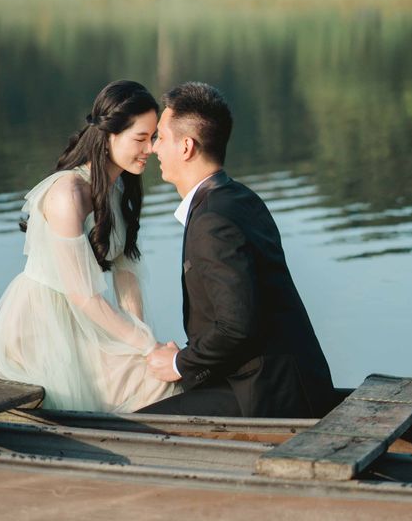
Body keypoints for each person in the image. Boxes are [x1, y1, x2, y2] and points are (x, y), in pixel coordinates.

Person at [142, 81, 336, 418]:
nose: (155, 147)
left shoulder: (212, 221)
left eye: (160, 137)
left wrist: (178, 363)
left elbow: (237, 326)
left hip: (265, 394)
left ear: (186, 147)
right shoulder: (239, 197)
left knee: (138, 431)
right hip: (286, 379)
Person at [0, 80, 181, 412]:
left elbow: (126, 273)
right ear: (109, 136)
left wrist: (142, 341)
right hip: (44, 328)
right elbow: (84, 296)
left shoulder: (117, 186)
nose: (150, 149)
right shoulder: (68, 195)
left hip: (84, 322)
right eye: (140, 139)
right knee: (154, 384)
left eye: (153, 138)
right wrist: (147, 347)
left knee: (157, 376)